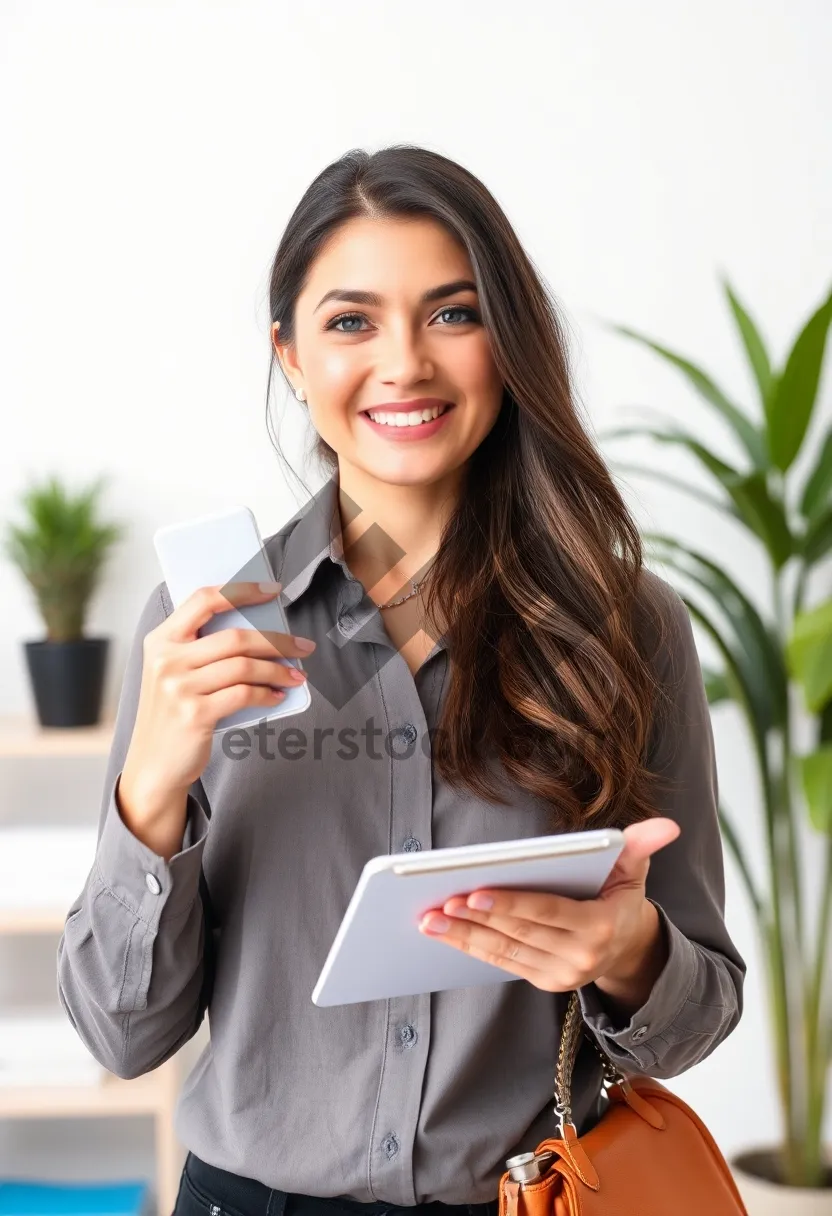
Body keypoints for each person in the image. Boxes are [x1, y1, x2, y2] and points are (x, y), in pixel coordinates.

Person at [57, 144, 746, 1216]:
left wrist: (631, 949)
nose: (404, 363)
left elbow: (698, 1014)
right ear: (288, 353)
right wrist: (148, 795)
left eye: (452, 313)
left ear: (506, 344)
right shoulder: (206, 628)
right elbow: (122, 1032)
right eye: (350, 321)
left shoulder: (625, 627)